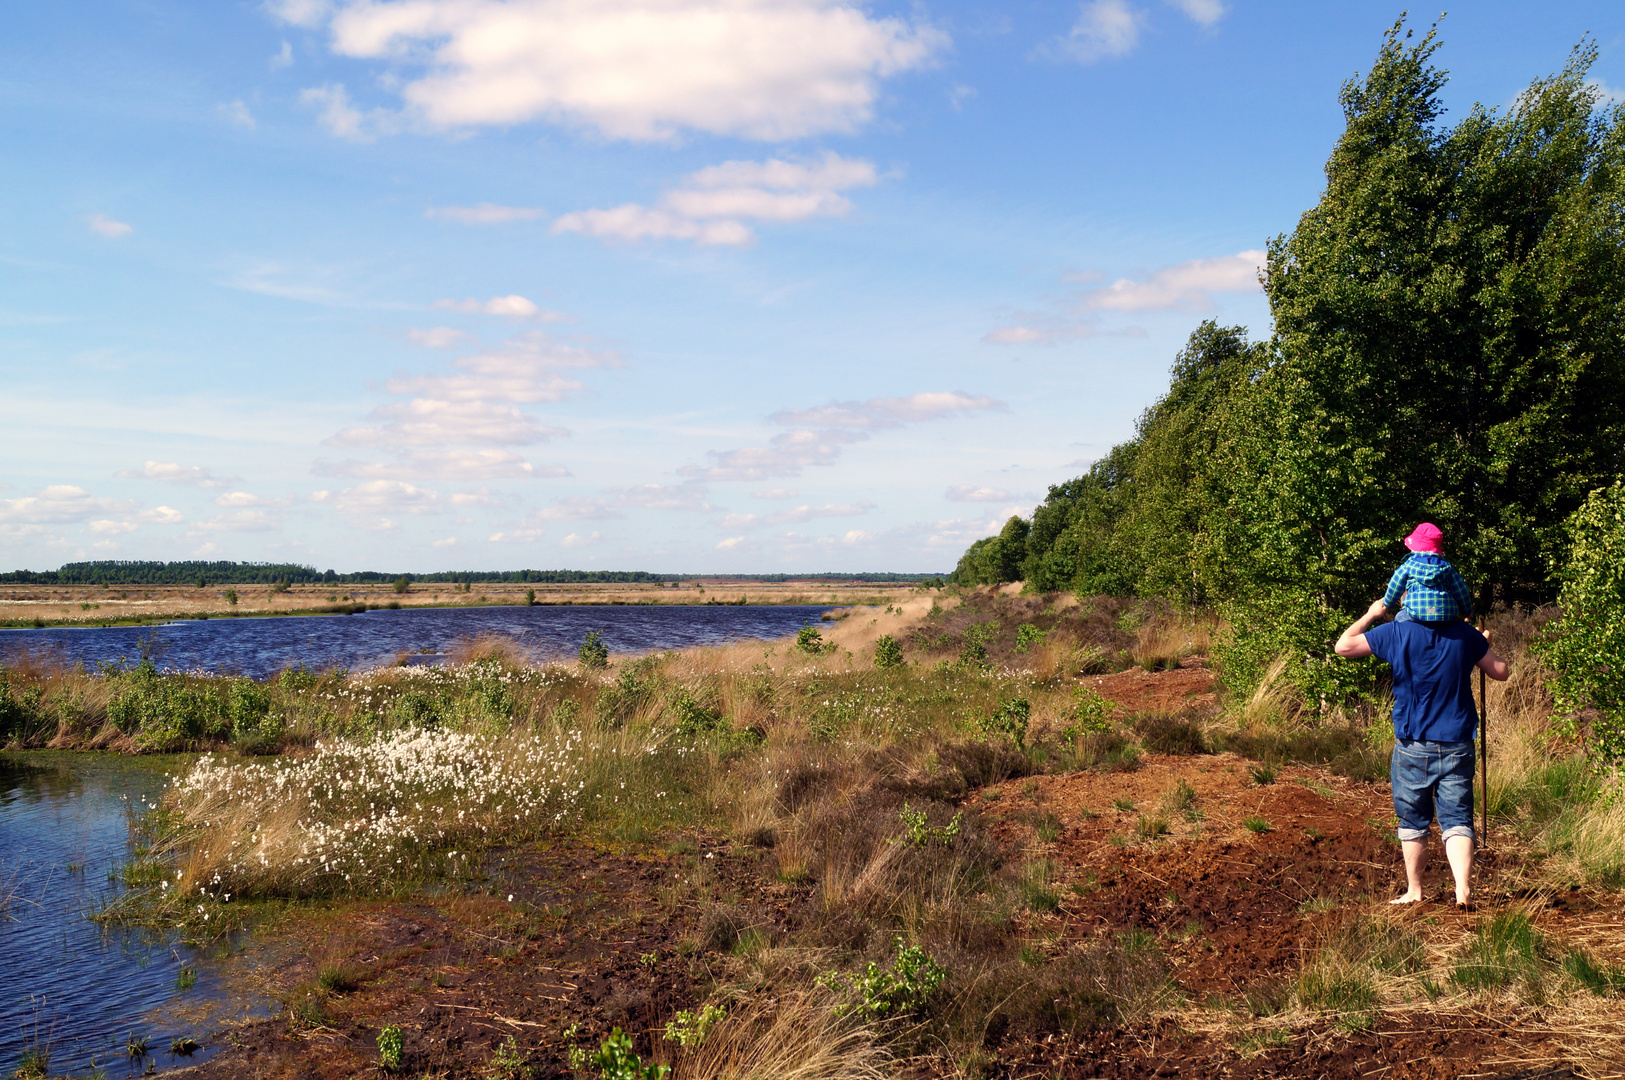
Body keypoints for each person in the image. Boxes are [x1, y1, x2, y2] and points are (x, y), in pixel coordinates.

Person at [1335, 598, 1509, 908]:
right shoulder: (1464, 635)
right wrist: (1482, 646)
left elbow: (1343, 647)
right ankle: (1462, 890)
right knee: (1457, 819)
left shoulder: (1396, 632)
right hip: (1457, 742)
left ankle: (1415, 890)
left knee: (1413, 820)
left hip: (1413, 744)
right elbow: (1500, 671)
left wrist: (1372, 613)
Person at [1383, 522, 1473, 624]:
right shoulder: (1447, 568)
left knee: (1399, 618)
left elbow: (1395, 585)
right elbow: (1461, 590)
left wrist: (1387, 604)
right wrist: (1467, 611)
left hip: (1414, 612)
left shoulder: (1407, 566)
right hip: (1444, 613)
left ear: (1415, 548)